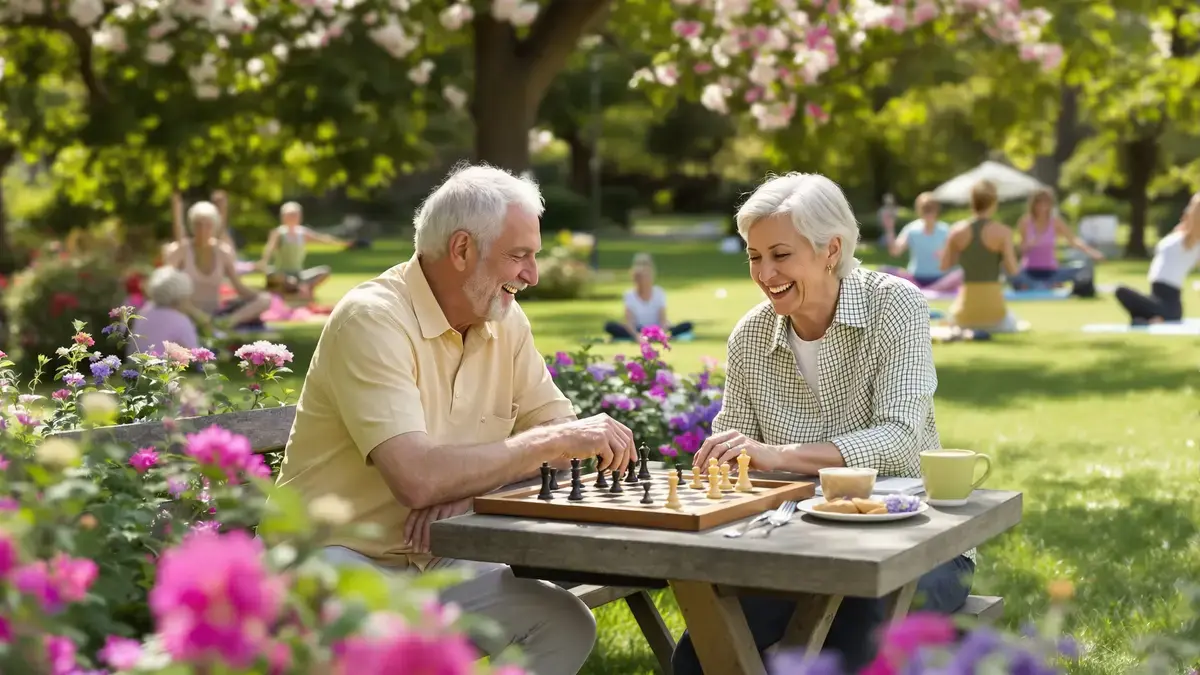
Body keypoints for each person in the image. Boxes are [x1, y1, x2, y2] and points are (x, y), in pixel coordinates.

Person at [273, 163, 641, 675]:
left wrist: (469, 495)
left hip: (436, 557)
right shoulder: (373, 318)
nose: (531, 275)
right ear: (462, 249)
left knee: (563, 625)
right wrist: (546, 444)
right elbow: (418, 478)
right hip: (333, 554)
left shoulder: (503, 319)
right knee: (388, 651)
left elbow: (568, 455)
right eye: (519, 256)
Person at [670, 173, 974, 674]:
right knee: (701, 653)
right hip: (797, 549)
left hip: (915, 545)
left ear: (831, 249)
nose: (765, 273)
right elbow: (737, 448)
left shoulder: (895, 306)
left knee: (848, 632)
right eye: (754, 256)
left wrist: (782, 455)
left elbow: (899, 440)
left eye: (780, 255)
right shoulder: (750, 335)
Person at [164, 193, 272, 330]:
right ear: (192, 226)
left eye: (207, 225)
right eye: (198, 225)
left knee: (265, 299)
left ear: (214, 226)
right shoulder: (181, 250)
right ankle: (209, 324)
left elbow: (239, 287)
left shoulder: (223, 251)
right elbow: (166, 286)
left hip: (216, 314)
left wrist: (260, 298)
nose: (203, 230)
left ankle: (226, 323)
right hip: (186, 313)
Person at [940, 180, 1023, 333]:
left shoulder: (956, 231)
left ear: (972, 202)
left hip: (964, 315)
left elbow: (944, 265)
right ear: (994, 202)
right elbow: (1013, 271)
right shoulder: (1003, 232)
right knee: (1015, 320)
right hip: (995, 316)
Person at [1114, 191, 1199, 324]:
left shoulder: (1193, 241)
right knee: (1124, 295)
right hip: (1161, 301)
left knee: (1120, 291)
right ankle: (1153, 319)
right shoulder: (1182, 234)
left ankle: (1155, 318)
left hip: (1168, 303)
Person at [1012, 188, 1104, 291]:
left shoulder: (1055, 222)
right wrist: (1030, 244)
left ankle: (1046, 284)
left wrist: (1091, 252)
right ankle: (1041, 285)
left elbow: (1073, 240)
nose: (1042, 207)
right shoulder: (1025, 222)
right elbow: (1021, 249)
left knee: (1082, 270)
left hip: (1051, 271)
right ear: (1033, 204)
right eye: (1039, 203)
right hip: (1029, 271)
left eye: (1046, 203)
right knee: (1014, 275)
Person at [256, 201, 345, 300]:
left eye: (295, 214)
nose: (293, 217)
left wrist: (342, 243)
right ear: (283, 216)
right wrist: (263, 261)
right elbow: (269, 248)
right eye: (290, 215)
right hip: (282, 274)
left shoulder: (302, 232)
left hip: (299, 274)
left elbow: (322, 239)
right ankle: (296, 290)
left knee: (324, 271)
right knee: (276, 276)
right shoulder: (279, 233)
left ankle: (301, 288)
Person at [603, 253, 694, 340]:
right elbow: (629, 322)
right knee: (610, 326)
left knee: (687, 325)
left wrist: (660, 334)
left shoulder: (659, 293)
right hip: (639, 329)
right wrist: (637, 336)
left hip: (657, 329)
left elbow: (662, 319)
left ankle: (661, 335)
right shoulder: (629, 295)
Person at [883, 192, 962, 291]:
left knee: (961, 273)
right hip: (915, 278)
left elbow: (956, 256)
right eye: (925, 209)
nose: (928, 213)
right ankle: (929, 290)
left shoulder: (945, 230)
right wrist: (889, 229)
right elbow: (895, 251)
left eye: (930, 209)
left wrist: (946, 255)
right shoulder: (911, 229)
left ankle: (928, 290)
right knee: (884, 271)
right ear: (919, 210)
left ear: (936, 210)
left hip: (940, 279)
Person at [125, 266, 200, 357]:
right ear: (181, 296)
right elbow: (195, 354)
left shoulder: (144, 312)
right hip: (162, 369)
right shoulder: (180, 321)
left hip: (135, 367)